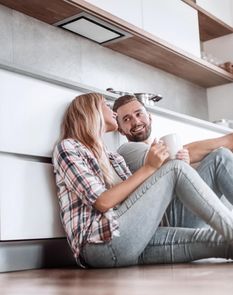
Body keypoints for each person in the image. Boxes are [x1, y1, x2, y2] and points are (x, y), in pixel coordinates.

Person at [53, 93, 233, 269]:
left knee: (221, 241)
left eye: (139, 114)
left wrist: (169, 169)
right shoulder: (69, 147)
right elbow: (102, 201)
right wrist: (151, 168)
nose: (113, 111)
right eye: (106, 106)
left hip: (136, 238)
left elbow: (136, 199)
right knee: (175, 168)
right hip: (101, 244)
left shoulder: (114, 158)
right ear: (92, 111)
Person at [114, 94, 233, 228]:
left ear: (150, 117)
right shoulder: (127, 150)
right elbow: (166, 157)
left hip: (180, 208)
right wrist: (227, 140)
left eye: (139, 114)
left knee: (221, 158)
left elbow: (174, 171)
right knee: (220, 158)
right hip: (169, 217)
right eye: (126, 119)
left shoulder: (156, 145)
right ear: (121, 130)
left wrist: (186, 165)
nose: (135, 122)